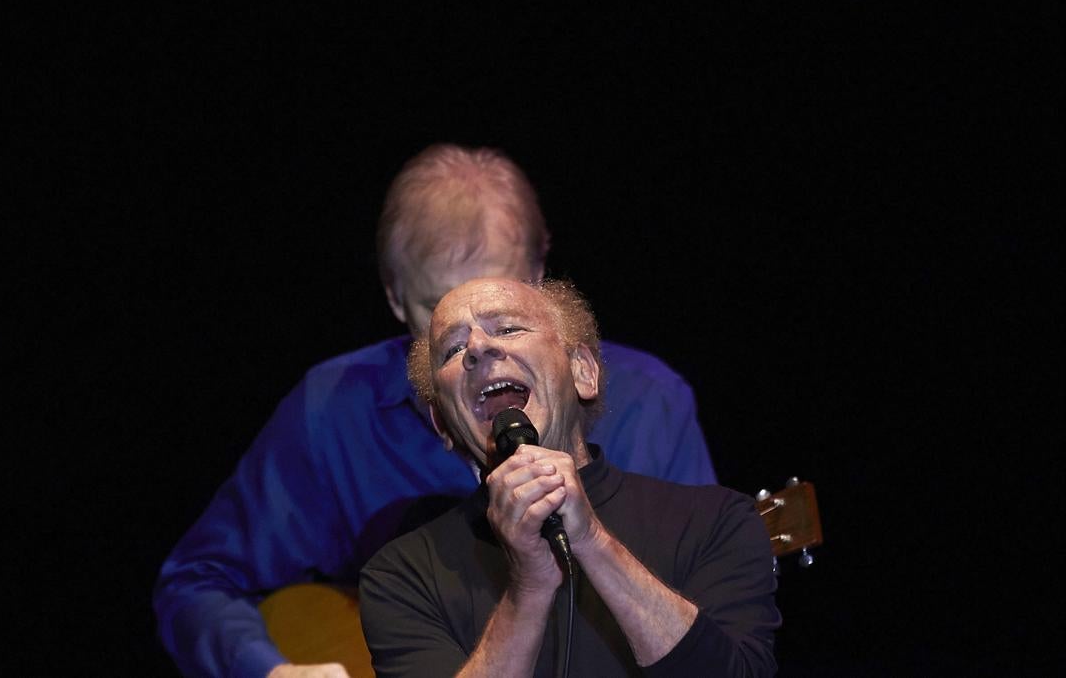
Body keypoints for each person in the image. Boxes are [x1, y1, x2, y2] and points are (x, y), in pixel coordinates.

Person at [154, 144, 718, 677]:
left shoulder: (652, 404)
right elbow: (197, 583)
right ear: (394, 296)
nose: (479, 347)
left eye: (504, 303)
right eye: (438, 316)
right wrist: (270, 669)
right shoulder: (331, 410)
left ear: (541, 276)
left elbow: (705, 629)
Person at [359, 278, 779, 677]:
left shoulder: (716, 520)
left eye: (507, 328)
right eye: (452, 350)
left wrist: (591, 540)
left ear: (583, 371)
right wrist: (528, 588)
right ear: (443, 424)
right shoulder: (402, 575)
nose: (478, 348)